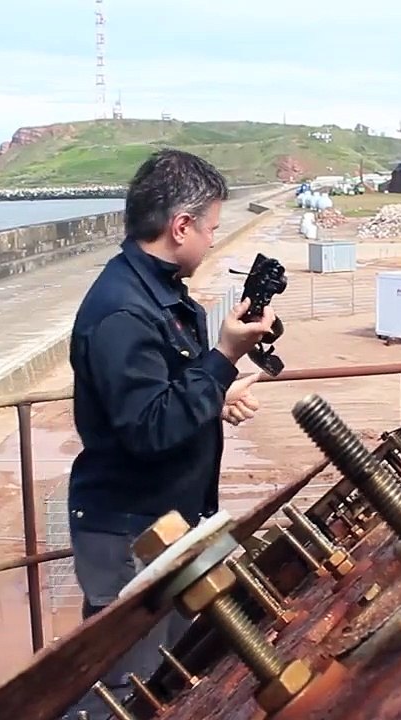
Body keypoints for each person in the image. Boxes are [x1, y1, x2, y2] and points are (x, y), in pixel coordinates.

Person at [63, 149, 276, 717]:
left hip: (166, 522)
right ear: (180, 227)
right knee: (121, 688)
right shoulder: (123, 312)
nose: (211, 242)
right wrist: (226, 354)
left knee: (170, 674)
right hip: (131, 530)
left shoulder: (157, 292)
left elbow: (164, 395)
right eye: (211, 229)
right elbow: (148, 429)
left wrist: (215, 397)